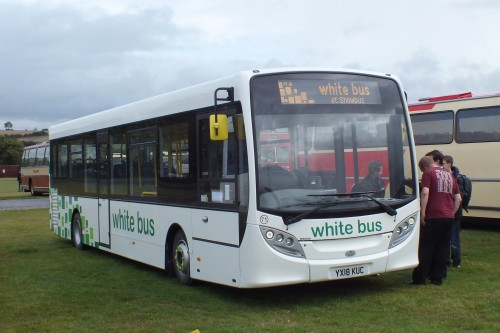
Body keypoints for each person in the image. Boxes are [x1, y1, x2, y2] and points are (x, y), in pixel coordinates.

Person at [410, 156, 461, 286]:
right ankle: (437, 278)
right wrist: (452, 212)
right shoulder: (450, 175)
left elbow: (425, 193)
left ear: (425, 168)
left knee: (426, 247)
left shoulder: (429, 173)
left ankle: (419, 278)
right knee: (442, 248)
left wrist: (423, 212)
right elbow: (458, 199)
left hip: (433, 216)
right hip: (448, 217)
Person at [443, 155, 462, 268]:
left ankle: (456, 261)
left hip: (454, 212)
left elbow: (458, 198)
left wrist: (453, 212)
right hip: (449, 212)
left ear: (449, 164)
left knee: (454, 238)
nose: (441, 166)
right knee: (447, 238)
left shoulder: (456, 178)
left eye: (443, 163)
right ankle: (447, 260)